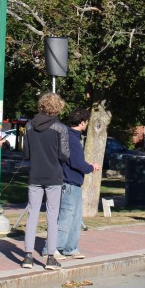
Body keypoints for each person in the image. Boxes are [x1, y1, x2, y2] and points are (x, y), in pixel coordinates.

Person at [21, 93, 70, 270]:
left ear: (41, 106)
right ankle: (50, 257)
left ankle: (27, 256)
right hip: (54, 175)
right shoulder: (60, 128)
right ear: (58, 107)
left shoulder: (29, 126)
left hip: (35, 174)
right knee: (52, 215)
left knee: (32, 214)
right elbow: (64, 154)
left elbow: (26, 153)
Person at [56, 108, 101, 257]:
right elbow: (76, 163)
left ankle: (70, 248)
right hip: (69, 183)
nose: (86, 124)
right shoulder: (72, 139)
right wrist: (91, 167)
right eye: (86, 121)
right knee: (66, 218)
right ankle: (54, 248)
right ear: (82, 122)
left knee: (75, 218)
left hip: (72, 183)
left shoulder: (69, 136)